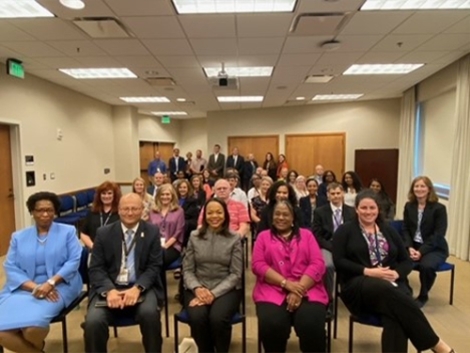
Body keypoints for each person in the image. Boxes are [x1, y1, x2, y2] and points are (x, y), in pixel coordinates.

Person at [332, 190, 455, 353]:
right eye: (364, 208)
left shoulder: (388, 230)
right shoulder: (345, 230)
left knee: (396, 316)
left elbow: (406, 261)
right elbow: (339, 261)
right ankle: (436, 344)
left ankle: (435, 344)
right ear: (356, 209)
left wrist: (397, 274)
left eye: (372, 208)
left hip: (393, 282)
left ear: (378, 209)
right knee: (392, 294)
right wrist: (368, 271)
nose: (368, 212)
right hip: (359, 284)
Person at [0, 192, 83, 353]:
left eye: (49, 210)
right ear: (32, 212)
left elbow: (73, 261)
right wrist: (35, 287)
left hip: (60, 286)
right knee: (2, 333)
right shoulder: (18, 237)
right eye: (40, 210)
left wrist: (50, 283)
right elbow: (10, 266)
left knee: (32, 329)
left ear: (55, 212)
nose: (45, 214)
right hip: (23, 288)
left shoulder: (68, 232)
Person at [84, 193, 163, 353]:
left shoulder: (152, 232)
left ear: (142, 211)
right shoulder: (103, 233)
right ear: (118, 211)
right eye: (125, 209)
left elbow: (154, 266)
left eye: (134, 209)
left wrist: (137, 288)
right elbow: (96, 268)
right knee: (93, 322)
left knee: (150, 315)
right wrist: (109, 291)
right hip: (110, 287)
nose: (130, 212)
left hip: (141, 287)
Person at [253, 201, 328, 353]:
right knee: (272, 324)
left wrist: (298, 289)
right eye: (277, 214)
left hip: (308, 289)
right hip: (272, 290)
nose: (281, 217)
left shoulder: (307, 235)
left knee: (310, 324)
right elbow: (258, 265)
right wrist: (286, 284)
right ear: (272, 217)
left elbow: (317, 263)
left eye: (286, 214)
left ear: (293, 218)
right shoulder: (263, 237)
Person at [183, 198, 243, 353]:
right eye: (210, 212)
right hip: (197, 286)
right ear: (204, 215)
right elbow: (188, 270)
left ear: (225, 215)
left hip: (226, 289)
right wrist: (197, 288)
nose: (214, 216)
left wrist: (212, 293)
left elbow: (236, 273)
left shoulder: (234, 238)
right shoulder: (194, 236)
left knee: (217, 318)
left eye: (219, 212)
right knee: (197, 317)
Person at [402, 176, 448, 308]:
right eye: (416, 186)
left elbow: (439, 234)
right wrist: (409, 247)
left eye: (422, 186)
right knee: (395, 259)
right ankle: (406, 290)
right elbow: (405, 228)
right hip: (413, 246)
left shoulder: (439, 208)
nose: (419, 189)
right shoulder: (409, 206)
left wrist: (421, 251)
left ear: (429, 189)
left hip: (434, 248)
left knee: (426, 266)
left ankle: (423, 295)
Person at [312, 182, 355, 302]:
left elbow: (355, 232)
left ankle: (350, 295)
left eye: (338, 193)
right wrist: (331, 246)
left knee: (357, 263)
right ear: (328, 196)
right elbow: (317, 235)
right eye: (332, 194)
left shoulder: (352, 211)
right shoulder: (320, 212)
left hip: (347, 247)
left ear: (343, 194)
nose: (335, 196)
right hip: (327, 246)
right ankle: (327, 299)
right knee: (327, 265)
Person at [149, 184, 185, 268]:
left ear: (172, 196)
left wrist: (165, 246)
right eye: (162, 194)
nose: (165, 197)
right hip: (155, 246)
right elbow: (150, 230)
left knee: (158, 259)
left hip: (173, 246)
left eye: (167, 194)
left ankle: (159, 281)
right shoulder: (152, 211)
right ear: (158, 196)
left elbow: (178, 232)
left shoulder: (179, 211)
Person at [80, 181, 121, 250]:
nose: (106, 196)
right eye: (103, 193)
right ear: (99, 195)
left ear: (115, 195)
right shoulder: (92, 212)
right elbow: (83, 234)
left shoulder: (120, 212)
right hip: (94, 250)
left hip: (114, 251)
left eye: (109, 193)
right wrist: (93, 246)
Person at [176, 179, 200, 247]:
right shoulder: (174, 200)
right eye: (180, 187)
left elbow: (187, 215)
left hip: (188, 225)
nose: (182, 189)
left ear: (188, 189)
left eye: (184, 187)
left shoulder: (193, 200)